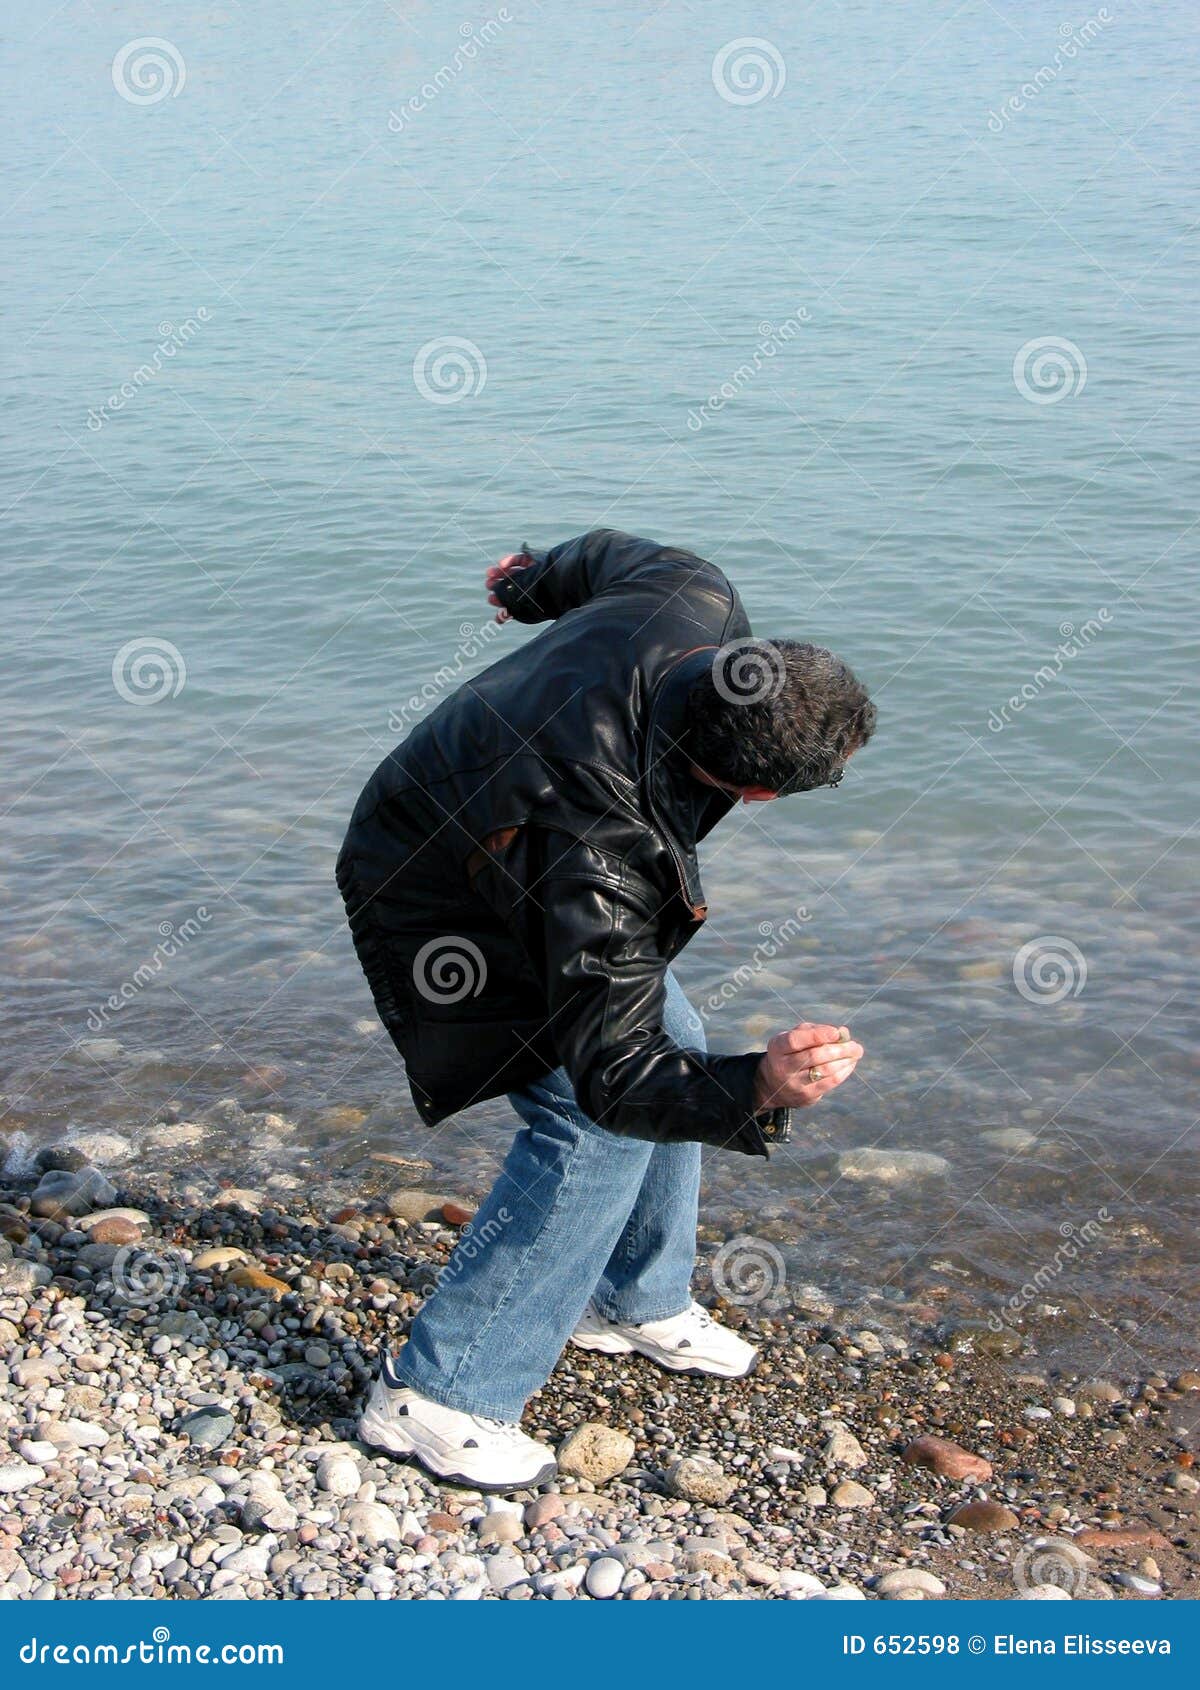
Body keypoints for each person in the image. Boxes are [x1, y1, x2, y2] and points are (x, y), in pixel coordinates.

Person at [337, 529, 875, 1490]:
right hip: (443, 886)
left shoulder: (692, 598)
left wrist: (529, 580)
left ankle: (632, 1295)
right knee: (590, 1125)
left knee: (681, 1040)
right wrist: (762, 1083)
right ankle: (436, 1394)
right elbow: (616, 1079)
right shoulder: (601, 843)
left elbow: (598, 559)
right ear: (756, 792)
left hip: (494, 809)